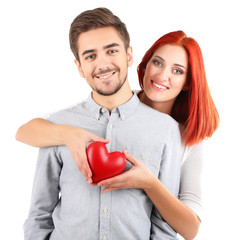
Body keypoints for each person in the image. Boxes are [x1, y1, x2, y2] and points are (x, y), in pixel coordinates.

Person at [20, 7, 184, 240]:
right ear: (79, 67)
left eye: (111, 51)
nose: (103, 64)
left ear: (128, 55)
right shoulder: (58, 126)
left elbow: (164, 225)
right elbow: (39, 214)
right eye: (90, 56)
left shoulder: (165, 129)